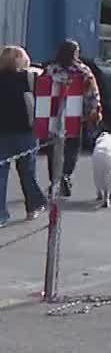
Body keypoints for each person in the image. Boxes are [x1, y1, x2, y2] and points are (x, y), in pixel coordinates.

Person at [43, 40, 101, 199]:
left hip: (54, 115)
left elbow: (42, 91)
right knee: (72, 148)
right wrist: (93, 112)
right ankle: (66, 176)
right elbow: (92, 94)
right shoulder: (83, 71)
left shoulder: (51, 70)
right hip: (75, 116)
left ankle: (54, 179)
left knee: (53, 149)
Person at [0, 45, 46, 223]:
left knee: (1, 175)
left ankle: (1, 215)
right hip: (26, 131)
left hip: (2, 132)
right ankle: (33, 206)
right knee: (27, 172)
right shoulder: (29, 78)